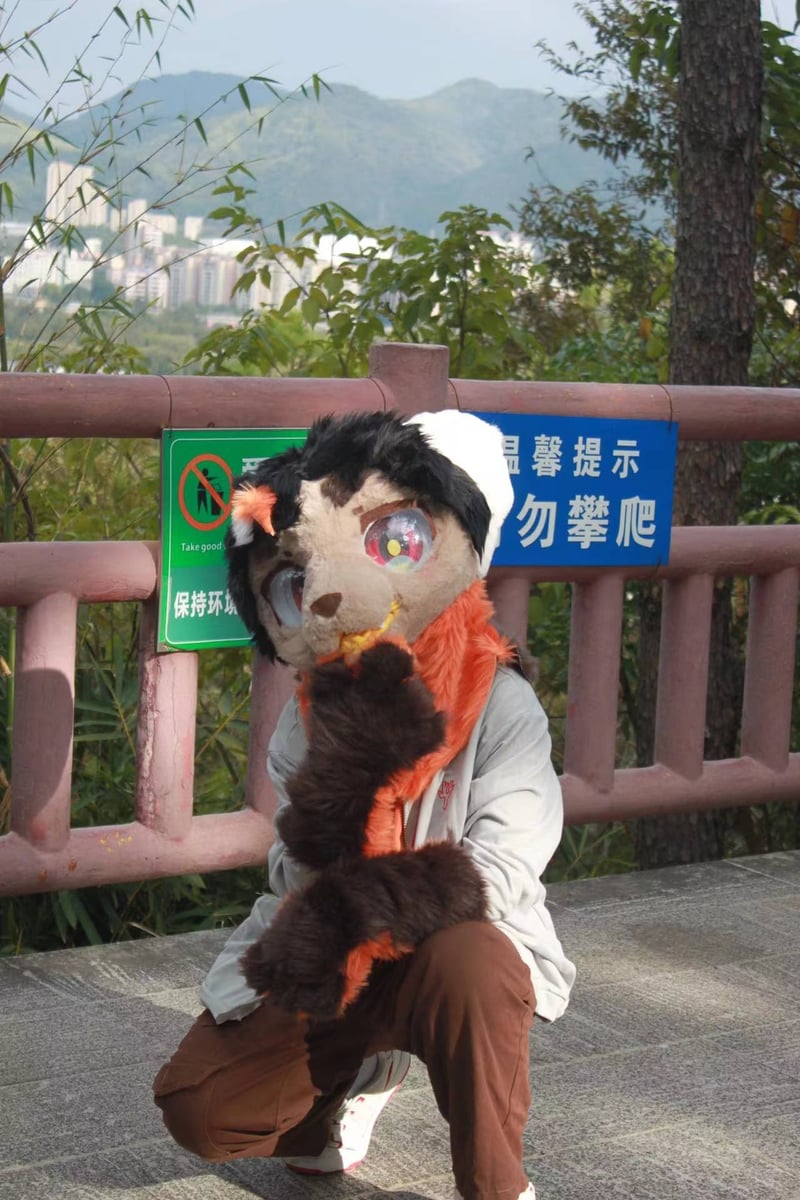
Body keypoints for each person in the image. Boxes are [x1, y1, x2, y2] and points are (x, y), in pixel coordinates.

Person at [153, 410, 576, 1200]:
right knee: (202, 1106)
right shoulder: (310, 712)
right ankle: (343, 1090)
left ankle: (497, 1183)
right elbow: (293, 866)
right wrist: (342, 792)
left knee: (471, 961)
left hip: (450, 952)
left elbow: (502, 872)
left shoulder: (504, 707)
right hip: (340, 945)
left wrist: (362, 899)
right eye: (293, 583)